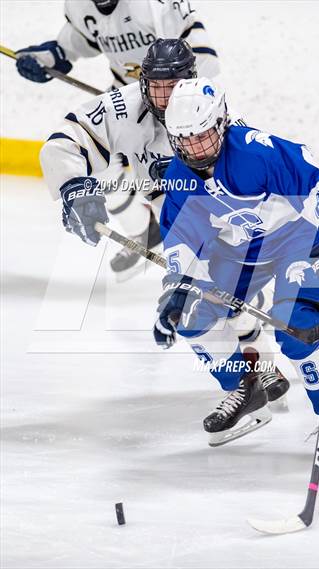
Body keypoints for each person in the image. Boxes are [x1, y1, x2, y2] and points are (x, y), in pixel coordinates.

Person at [39, 40, 290, 413]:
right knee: (201, 298)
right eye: (154, 87)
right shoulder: (124, 105)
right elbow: (65, 141)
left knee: (226, 290)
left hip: (218, 212)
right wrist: (73, 186)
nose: (161, 98)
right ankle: (252, 373)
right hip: (170, 216)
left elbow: (246, 181)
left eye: (170, 88)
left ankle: (260, 364)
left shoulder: (215, 112)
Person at [154, 77, 319, 452]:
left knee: (297, 330)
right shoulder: (179, 176)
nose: (194, 148)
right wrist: (179, 284)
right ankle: (247, 386)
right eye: (183, 139)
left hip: (293, 244)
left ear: (220, 122)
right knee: (188, 316)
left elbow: (318, 187)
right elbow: (181, 235)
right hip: (240, 254)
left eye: (201, 135)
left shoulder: (256, 152)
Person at [17, 0, 220, 279]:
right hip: (128, 98)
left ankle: (223, 262)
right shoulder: (80, 6)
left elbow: (203, 59)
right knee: (100, 169)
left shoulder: (153, 5)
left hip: (181, 103)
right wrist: (51, 57)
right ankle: (144, 231)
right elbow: (81, 40)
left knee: (184, 188)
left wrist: (172, 108)